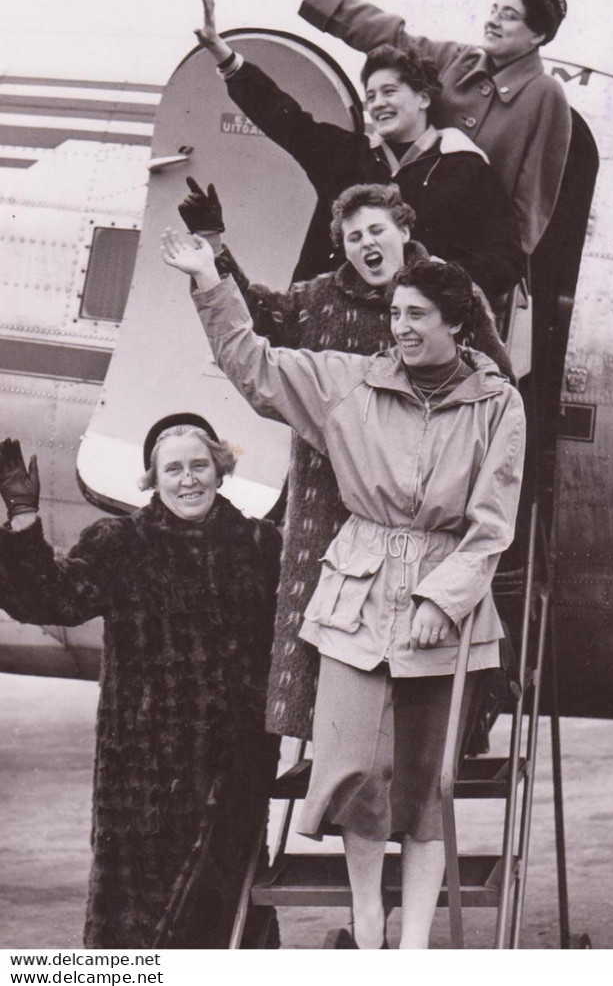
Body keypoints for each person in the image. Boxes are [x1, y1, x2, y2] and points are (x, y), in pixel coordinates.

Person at [162, 234, 525, 950]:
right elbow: (255, 366)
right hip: (354, 597)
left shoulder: (497, 406)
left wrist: (441, 599)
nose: (402, 327)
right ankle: (367, 925)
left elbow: (492, 523)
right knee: (355, 771)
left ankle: (412, 947)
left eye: (418, 314)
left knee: (424, 786)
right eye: (396, 313)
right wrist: (210, 280)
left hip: (444, 603)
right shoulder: (348, 383)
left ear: (456, 324)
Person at [177, 178, 513, 744]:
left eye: (377, 230)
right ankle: (328, 742)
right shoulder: (317, 299)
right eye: (354, 236)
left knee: (420, 618)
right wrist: (214, 249)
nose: (366, 244)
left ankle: (419, 744)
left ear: (405, 231)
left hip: (421, 491)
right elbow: (258, 325)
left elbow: (492, 379)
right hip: (326, 484)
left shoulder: (449, 294)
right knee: (323, 612)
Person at [0, 422, 281, 949]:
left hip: (233, 776)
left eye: (199, 465)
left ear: (221, 469)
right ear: (153, 479)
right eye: (172, 469)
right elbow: (50, 600)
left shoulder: (261, 546)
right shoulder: (120, 544)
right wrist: (23, 518)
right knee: (135, 932)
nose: (188, 480)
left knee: (228, 925)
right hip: (140, 786)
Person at [194, 0, 524, 297]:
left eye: (390, 92)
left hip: (410, 337)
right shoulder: (346, 155)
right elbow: (284, 118)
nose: (378, 103)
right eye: (371, 95)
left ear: (424, 98)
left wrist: (447, 280)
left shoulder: (464, 166)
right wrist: (222, 54)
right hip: (323, 326)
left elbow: (505, 257)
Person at [251, 0, 573, 254]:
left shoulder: (544, 94)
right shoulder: (456, 59)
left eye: (510, 15)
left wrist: (498, 272)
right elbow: (384, 34)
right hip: (397, 240)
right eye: (494, 9)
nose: (493, 21)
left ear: (538, 35)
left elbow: (531, 207)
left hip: (465, 260)